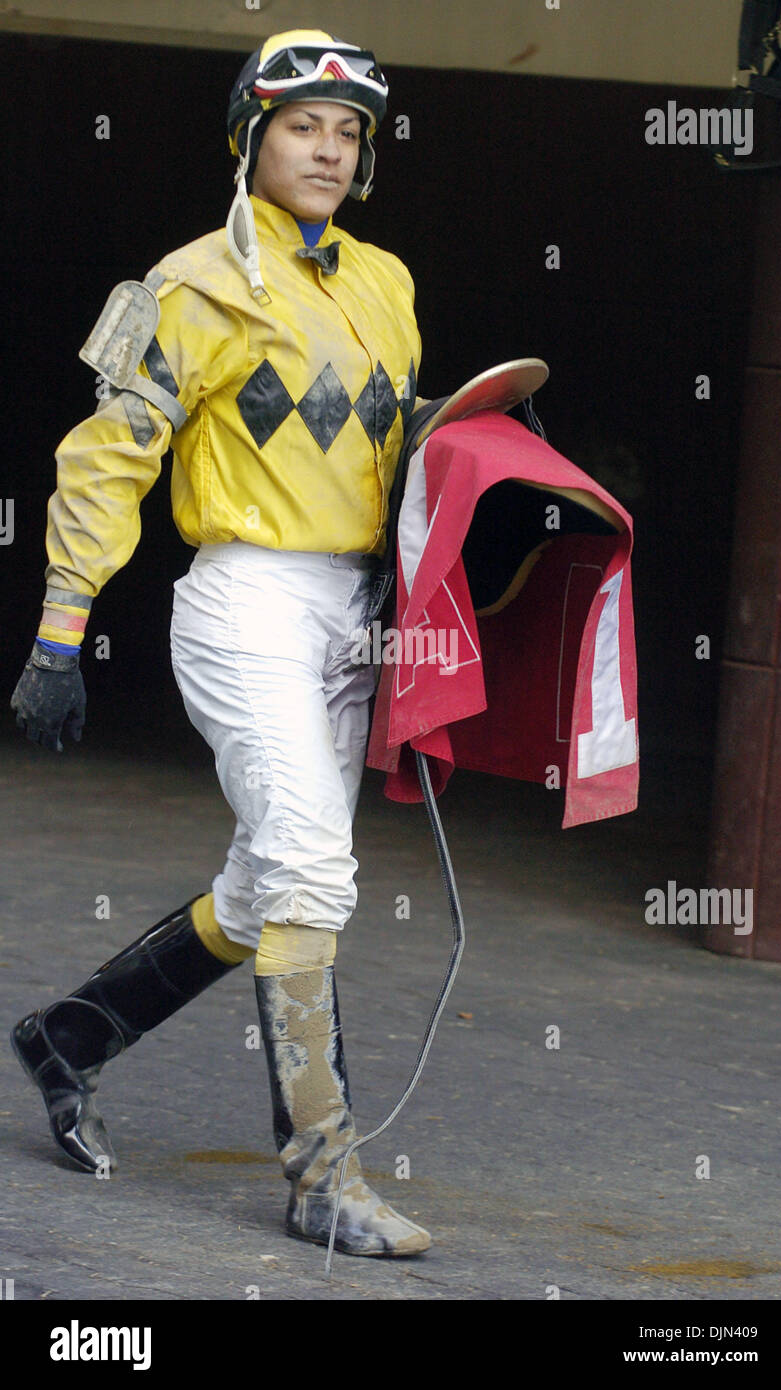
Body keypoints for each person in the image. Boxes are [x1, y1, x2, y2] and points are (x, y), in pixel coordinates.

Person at [9, 29, 431, 1259]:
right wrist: (58, 626)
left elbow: (405, 459)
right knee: (311, 870)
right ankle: (322, 1174)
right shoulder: (190, 282)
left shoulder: (388, 284)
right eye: (304, 125)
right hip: (243, 600)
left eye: (349, 132)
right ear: (251, 135)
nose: (330, 149)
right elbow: (108, 457)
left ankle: (70, 1035)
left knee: (265, 887)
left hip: (352, 614)